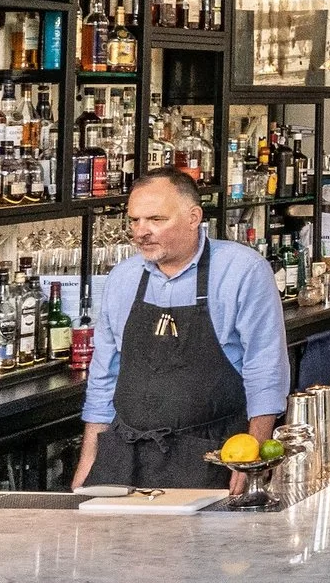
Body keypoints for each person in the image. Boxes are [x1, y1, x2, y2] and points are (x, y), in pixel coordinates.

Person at [72, 169, 289, 492]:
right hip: (124, 458)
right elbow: (104, 376)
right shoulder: (123, 277)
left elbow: (265, 369)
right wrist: (88, 463)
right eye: (134, 221)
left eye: (156, 219)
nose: (141, 231)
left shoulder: (242, 270)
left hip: (210, 456)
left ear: (193, 217)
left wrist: (250, 460)